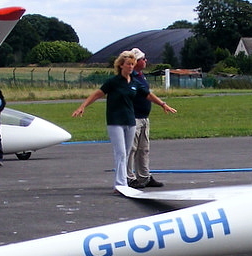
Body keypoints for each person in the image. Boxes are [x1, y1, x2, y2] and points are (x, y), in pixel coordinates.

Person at [72, 50, 176, 191]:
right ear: (121, 65)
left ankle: (121, 182)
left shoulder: (135, 82)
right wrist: (82, 106)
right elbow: (97, 94)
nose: (131, 67)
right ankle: (121, 184)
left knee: (126, 154)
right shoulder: (113, 82)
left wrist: (163, 104)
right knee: (120, 152)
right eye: (128, 64)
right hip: (115, 121)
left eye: (132, 64)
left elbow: (148, 95)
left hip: (130, 121)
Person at [126, 49, 163, 189]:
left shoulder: (141, 76)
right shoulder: (130, 77)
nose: (145, 61)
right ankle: (129, 177)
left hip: (144, 117)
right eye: (143, 59)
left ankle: (144, 176)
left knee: (144, 149)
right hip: (133, 118)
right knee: (131, 149)